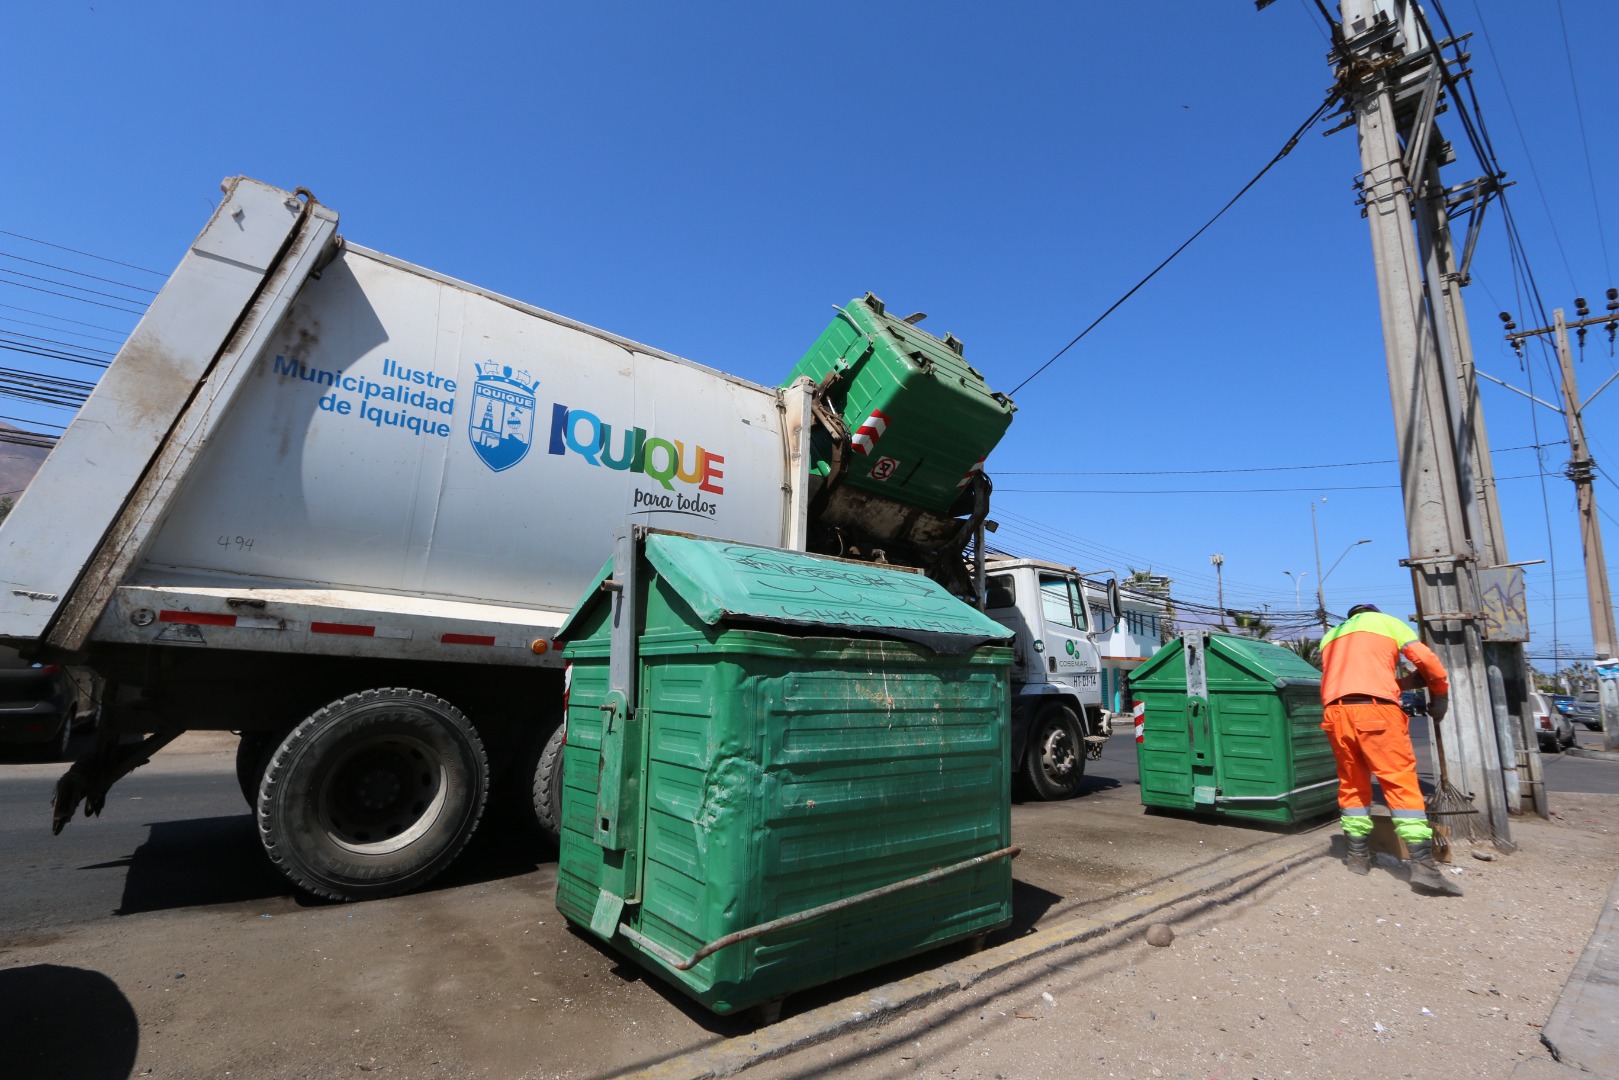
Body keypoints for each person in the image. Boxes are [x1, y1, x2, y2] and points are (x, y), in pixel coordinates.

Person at [1319, 603, 1461, 895]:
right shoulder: (1387, 623)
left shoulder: (1330, 636)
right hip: (1377, 712)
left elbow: (1357, 682)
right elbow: (1426, 659)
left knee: (1352, 783)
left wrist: (1404, 684)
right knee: (1399, 782)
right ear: (1374, 612)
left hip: (1336, 713)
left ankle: (1357, 857)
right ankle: (1424, 868)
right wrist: (1440, 694)